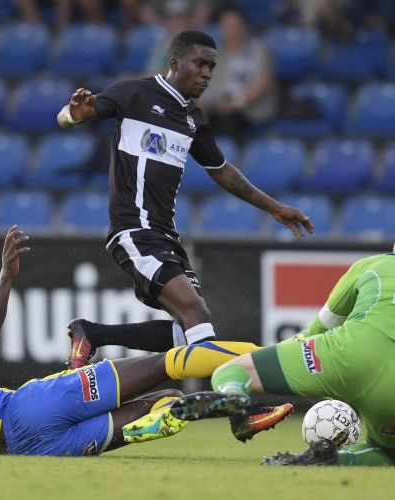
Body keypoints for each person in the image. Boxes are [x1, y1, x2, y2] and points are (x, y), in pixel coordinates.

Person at [0, 226, 292, 456]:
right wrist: (5, 277)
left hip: (33, 449)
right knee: (166, 363)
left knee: (157, 407)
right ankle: (276, 363)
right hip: (27, 408)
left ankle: (230, 409)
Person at [56, 30, 313, 369]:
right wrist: (73, 114)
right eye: (200, 64)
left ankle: (93, 334)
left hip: (165, 235)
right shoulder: (134, 93)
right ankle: (234, 405)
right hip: (135, 229)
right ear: (175, 63)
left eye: (212, 66)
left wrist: (275, 208)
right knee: (197, 313)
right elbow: (71, 116)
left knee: (186, 331)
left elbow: (222, 171)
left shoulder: (194, 120)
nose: (207, 73)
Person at [170, 221, 395, 467]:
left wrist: (284, 354)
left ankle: (237, 399)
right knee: (388, 454)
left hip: (346, 356)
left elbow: (321, 327)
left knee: (231, 372)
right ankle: (336, 459)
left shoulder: (375, 264)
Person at [196, 5, 277, 141]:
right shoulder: (216, 53)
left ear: (244, 26)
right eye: (226, 27)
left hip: (247, 111)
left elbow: (263, 83)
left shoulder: (258, 50)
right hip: (216, 107)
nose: (231, 31)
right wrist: (201, 102)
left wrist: (234, 104)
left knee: (227, 120)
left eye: (235, 26)